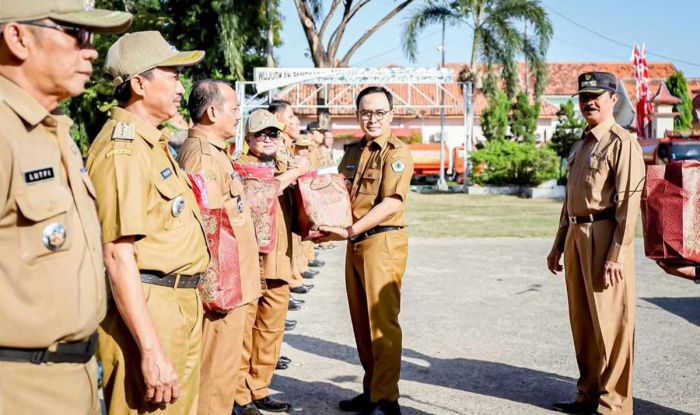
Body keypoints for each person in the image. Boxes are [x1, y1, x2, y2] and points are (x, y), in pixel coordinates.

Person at [0, 2, 131, 414]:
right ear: (18, 37)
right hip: (19, 388)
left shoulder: (53, 130)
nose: (90, 51)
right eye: (76, 33)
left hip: (73, 377)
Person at [86, 31, 209, 414]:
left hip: (177, 303)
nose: (180, 86)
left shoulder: (150, 144)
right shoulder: (123, 150)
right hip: (150, 309)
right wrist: (151, 349)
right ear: (139, 83)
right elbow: (117, 255)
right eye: (172, 75)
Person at [546, 72, 645, 415]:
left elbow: (629, 203)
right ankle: (588, 394)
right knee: (584, 321)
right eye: (583, 96)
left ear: (613, 99)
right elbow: (569, 200)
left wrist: (617, 253)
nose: (588, 101)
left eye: (596, 95)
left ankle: (614, 404)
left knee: (613, 324)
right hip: (576, 235)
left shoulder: (622, 142)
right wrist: (558, 244)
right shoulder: (580, 143)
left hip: (605, 238)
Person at [322, 86, 414, 415]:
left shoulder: (396, 153)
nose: (372, 119)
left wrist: (349, 230)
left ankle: (386, 399)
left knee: (382, 323)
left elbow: (391, 203)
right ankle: (372, 389)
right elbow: (337, 194)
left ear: (390, 115)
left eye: (379, 113)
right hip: (356, 243)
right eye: (365, 113)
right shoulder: (352, 152)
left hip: (383, 241)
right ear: (357, 115)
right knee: (361, 322)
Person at [176, 80, 263, 415]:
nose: (239, 115)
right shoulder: (201, 158)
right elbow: (207, 229)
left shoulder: (214, 154)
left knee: (224, 377)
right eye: (235, 109)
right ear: (213, 112)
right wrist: (220, 292)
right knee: (214, 379)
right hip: (222, 291)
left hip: (234, 284)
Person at [234, 110, 311, 415]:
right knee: (244, 330)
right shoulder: (240, 165)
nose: (268, 139)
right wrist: (294, 173)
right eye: (261, 134)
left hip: (280, 260)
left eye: (273, 134)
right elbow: (264, 192)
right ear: (248, 138)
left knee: (271, 329)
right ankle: (239, 395)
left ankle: (260, 387)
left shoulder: (283, 165)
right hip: (251, 262)